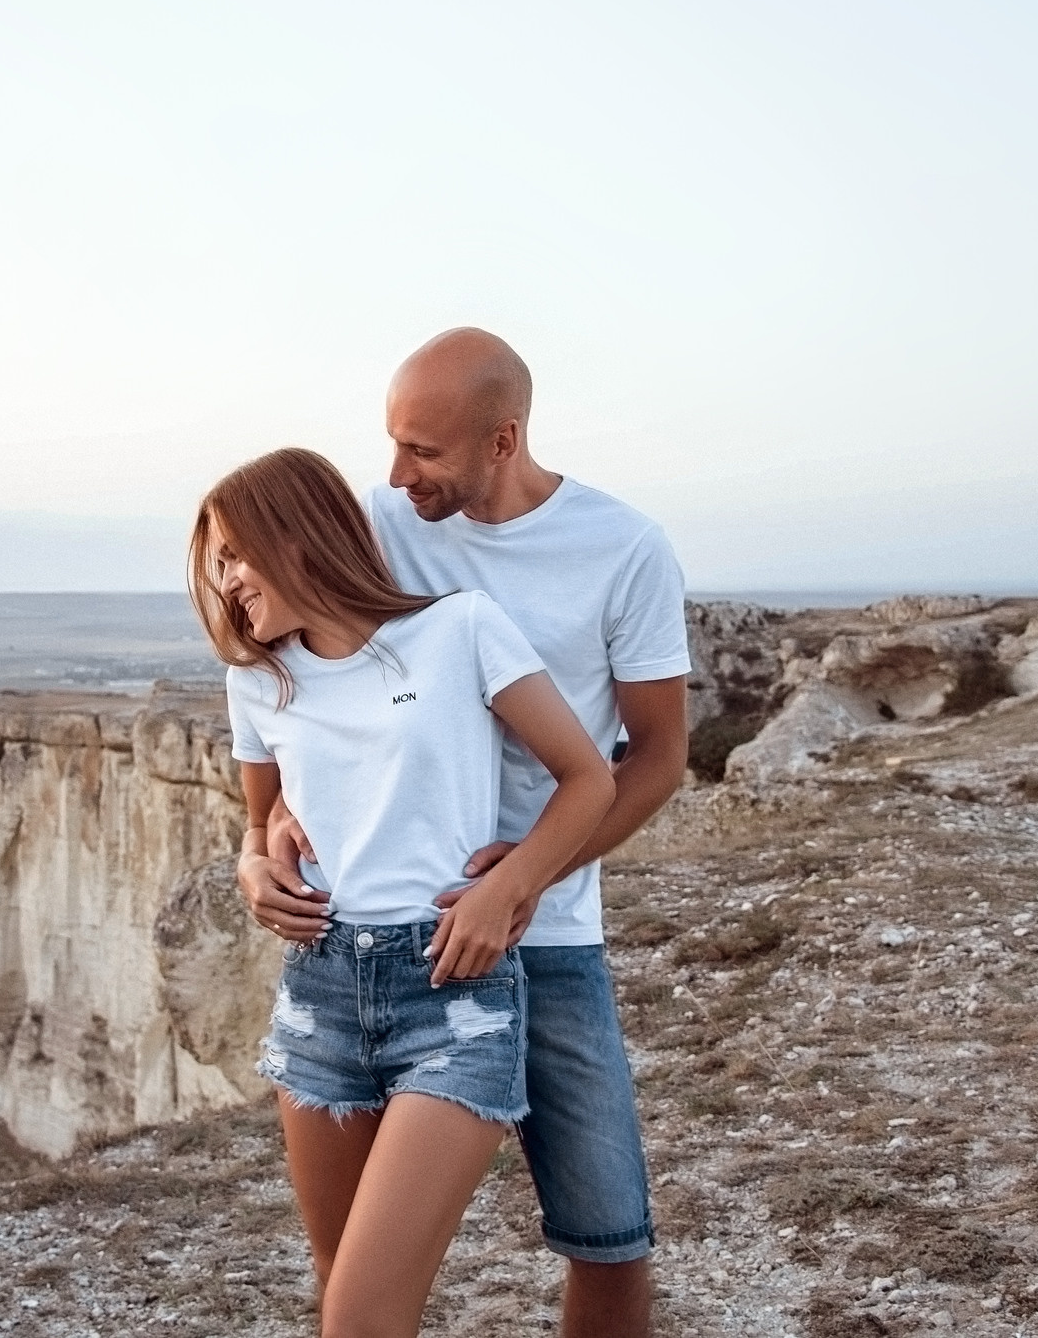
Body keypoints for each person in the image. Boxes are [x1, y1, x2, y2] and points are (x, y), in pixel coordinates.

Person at [237, 329, 691, 1338]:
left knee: (607, 1229)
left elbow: (655, 757)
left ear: (503, 438)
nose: (396, 477)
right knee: (353, 1274)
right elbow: (298, 698)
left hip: (550, 931)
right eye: (391, 444)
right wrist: (260, 838)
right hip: (384, 940)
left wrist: (522, 878)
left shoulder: (623, 547)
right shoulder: (379, 522)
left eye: (423, 452)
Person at [192, 447, 616, 1338]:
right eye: (216, 562)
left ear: (297, 536)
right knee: (337, 1281)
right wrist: (252, 866)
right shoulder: (257, 679)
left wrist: (511, 884)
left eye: (234, 552)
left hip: (452, 992)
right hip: (321, 991)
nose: (226, 580)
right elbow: (259, 827)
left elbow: (588, 777)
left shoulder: (460, 628)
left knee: (360, 1314)